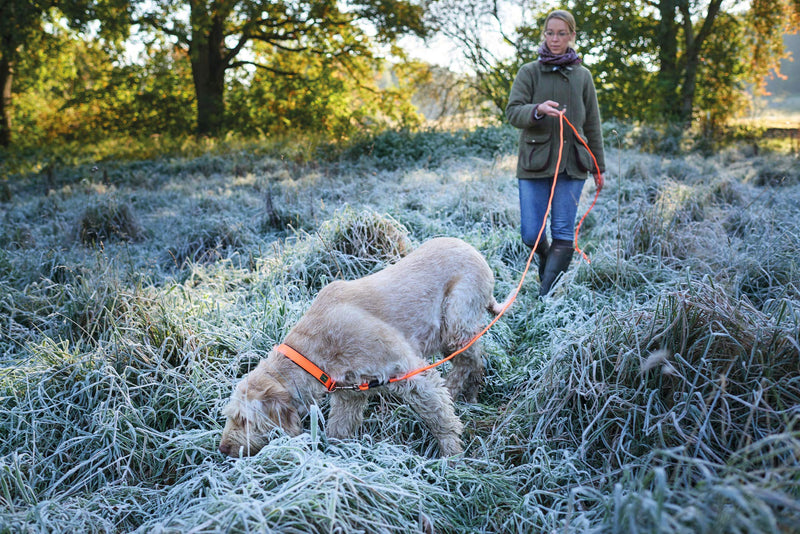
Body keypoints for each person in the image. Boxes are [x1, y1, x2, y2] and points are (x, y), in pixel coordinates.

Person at [505, 9, 605, 297]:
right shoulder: (529, 71)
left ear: (572, 36)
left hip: (573, 165)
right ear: (544, 34)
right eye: (550, 33)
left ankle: (545, 295)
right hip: (535, 163)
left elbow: (593, 124)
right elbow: (512, 112)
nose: (555, 39)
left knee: (563, 233)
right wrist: (537, 110)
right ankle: (548, 265)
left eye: (562, 33)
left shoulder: (583, 76)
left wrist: (599, 169)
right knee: (531, 235)